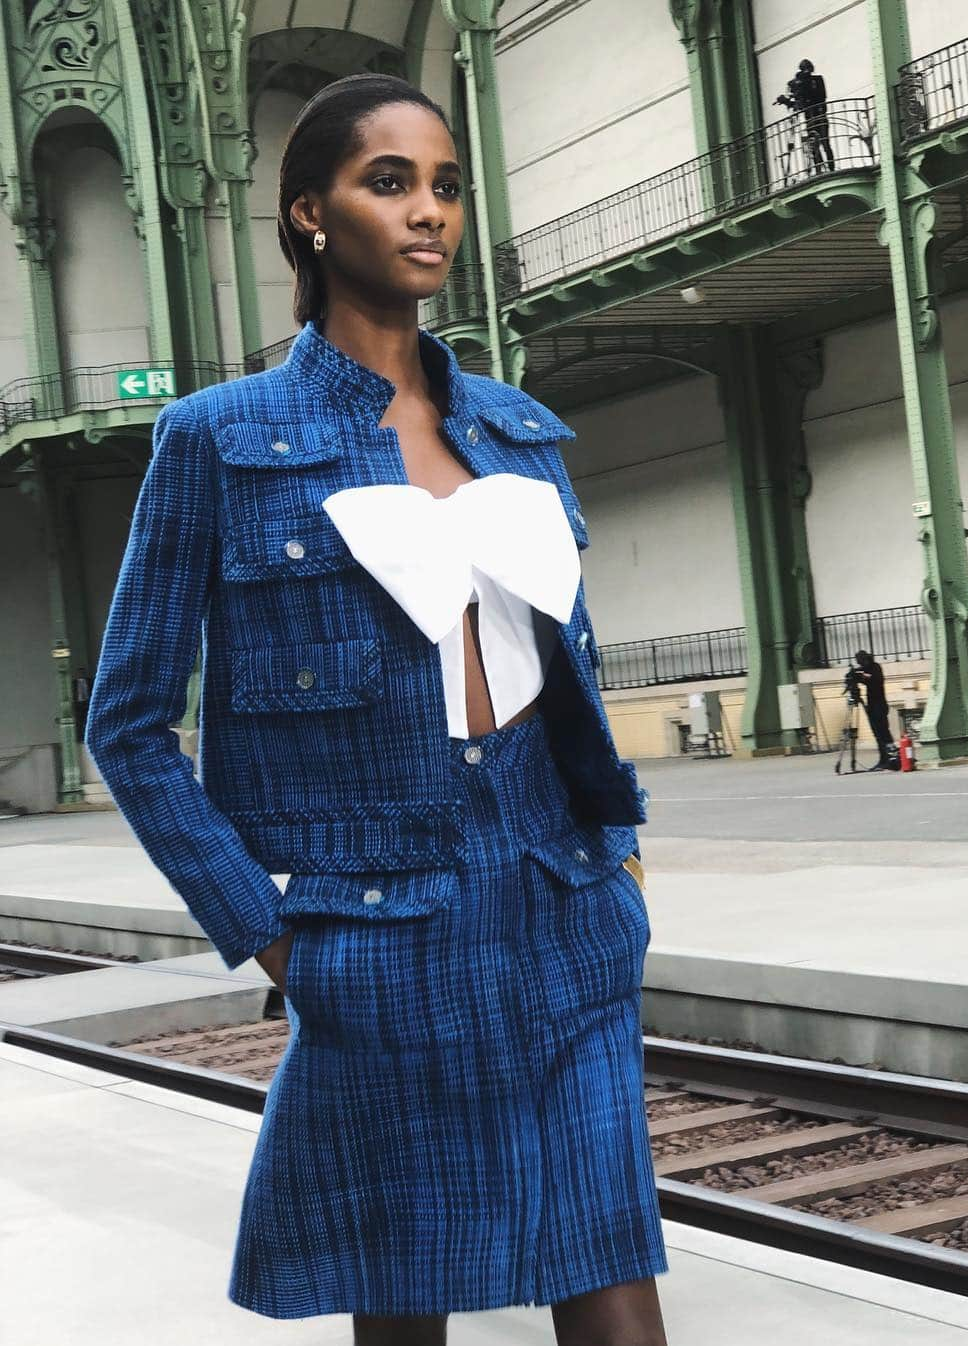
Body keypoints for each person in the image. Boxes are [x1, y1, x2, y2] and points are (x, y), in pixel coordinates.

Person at [84, 73, 668, 1346]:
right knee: (402, 1311)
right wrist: (274, 937)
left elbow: (562, 667)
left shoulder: (519, 432)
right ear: (309, 214)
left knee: (618, 1299)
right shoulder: (218, 437)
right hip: (376, 936)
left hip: (564, 915)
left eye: (446, 186)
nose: (429, 214)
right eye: (388, 182)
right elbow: (126, 723)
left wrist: (617, 856)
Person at [775, 58, 835, 174]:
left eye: (808, 69)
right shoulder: (798, 83)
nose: (806, 72)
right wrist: (787, 101)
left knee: (825, 143)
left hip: (819, 115)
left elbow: (820, 97)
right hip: (809, 118)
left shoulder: (817, 80)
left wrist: (802, 88)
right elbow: (798, 104)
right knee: (813, 146)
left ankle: (830, 168)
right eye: (804, 69)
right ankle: (819, 170)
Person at [852, 649, 899, 772]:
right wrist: (857, 676)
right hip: (872, 706)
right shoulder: (866, 670)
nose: (861, 665)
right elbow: (864, 678)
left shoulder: (875, 668)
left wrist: (861, 677)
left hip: (880, 705)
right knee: (877, 734)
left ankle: (892, 758)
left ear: (865, 659)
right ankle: (883, 759)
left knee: (884, 733)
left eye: (861, 662)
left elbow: (874, 681)